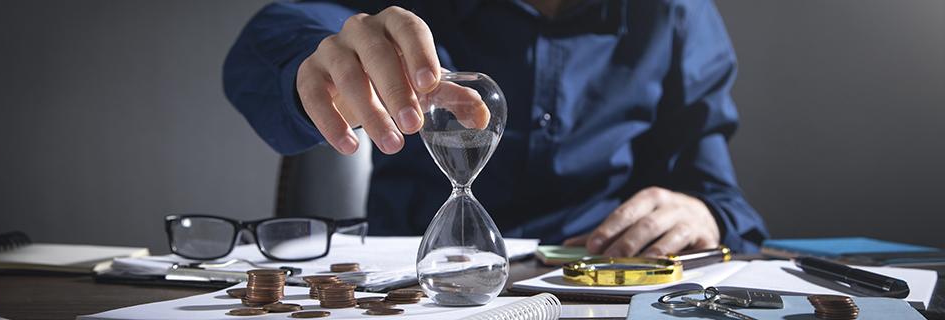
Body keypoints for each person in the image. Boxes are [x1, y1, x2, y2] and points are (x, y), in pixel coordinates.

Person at [223, 0, 769, 256]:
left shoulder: (675, 16)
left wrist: (703, 212)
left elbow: (716, 192)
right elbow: (280, 27)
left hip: (589, 285)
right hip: (412, 284)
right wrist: (316, 61)